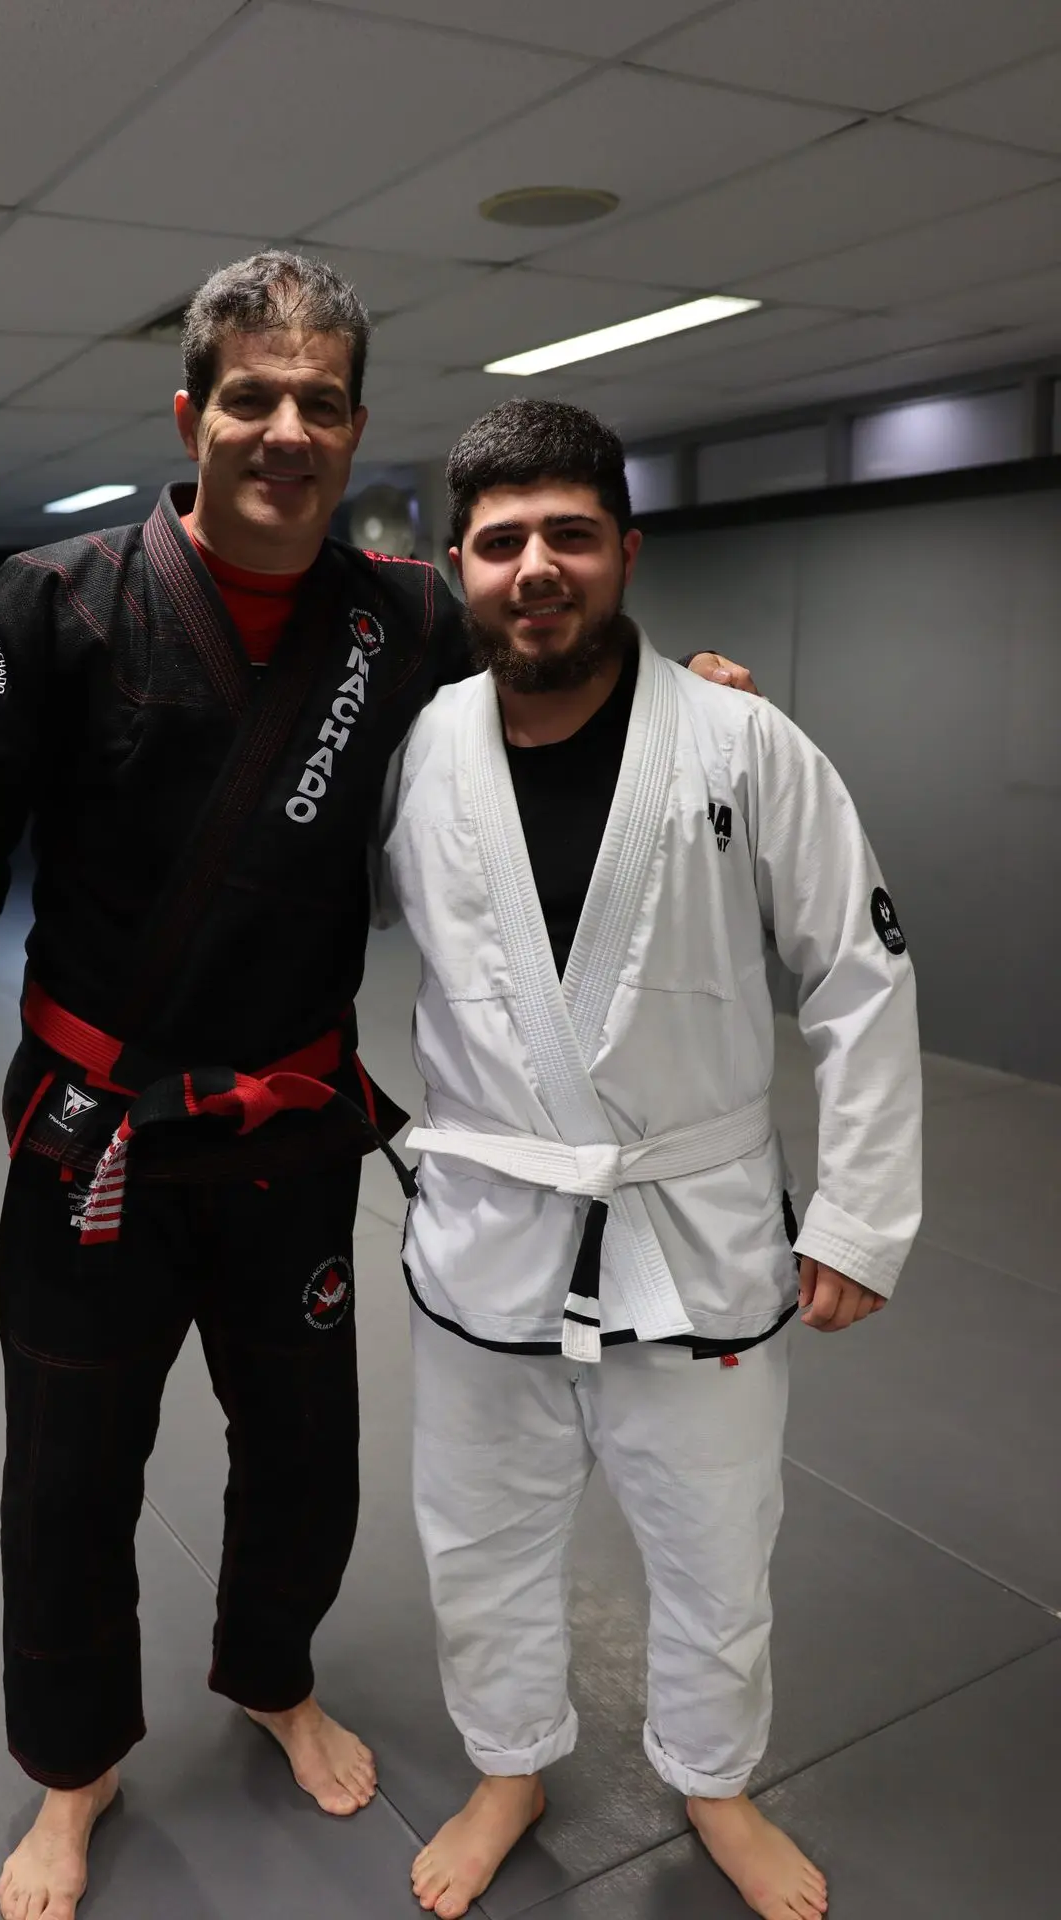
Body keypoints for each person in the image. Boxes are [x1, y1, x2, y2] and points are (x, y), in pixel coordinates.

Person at [0, 253, 759, 1920]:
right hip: (95, 1139)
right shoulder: (55, 605)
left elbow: (553, 663)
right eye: (254, 398)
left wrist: (688, 703)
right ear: (192, 411)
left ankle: (272, 1675)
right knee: (70, 1472)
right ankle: (75, 1770)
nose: (288, 430)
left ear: (354, 432)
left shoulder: (405, 618)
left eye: (322, 404)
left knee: (305, 1455)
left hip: (291, 1137)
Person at [379, 399, 922, 1920]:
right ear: (457, 568)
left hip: (696, 1236)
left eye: (568, 534)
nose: (535, 567)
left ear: (627, 549)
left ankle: (713, 1779)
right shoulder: (420, 752)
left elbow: (861, 974)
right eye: (501, 543)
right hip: (487, 1232)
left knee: (714, 1548)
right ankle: (509, 1766)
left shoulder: (745, 742)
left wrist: (863, 1218)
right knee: (479, 1540)